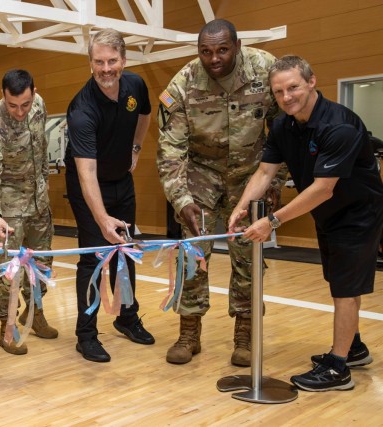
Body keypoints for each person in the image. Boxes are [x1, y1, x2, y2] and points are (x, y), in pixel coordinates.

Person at [229, 55, 383, 392]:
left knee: (346, 290)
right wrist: (242, 206)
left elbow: (323, 188)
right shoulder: (284, 125)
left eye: (293, 87)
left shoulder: (338, 125)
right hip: (328, 214)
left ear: (312, 82)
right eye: (279, 91)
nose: (287, 97)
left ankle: (338, 370)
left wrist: (272, 221)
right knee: (338, 282)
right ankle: (354, 348)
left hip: (358, 214)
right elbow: (266, 171)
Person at [156, 19, 281, 366]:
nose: (214, 58)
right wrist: (181, 199)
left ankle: (244, 334)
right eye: (206, 51)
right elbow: (170, 151)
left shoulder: (265, 69)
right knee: (192, 255)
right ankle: (189, 332)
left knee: (249, 258)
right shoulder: (182, 84)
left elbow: (284, 129)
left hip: (251, 176)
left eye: (222, 50)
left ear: (237, 46)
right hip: (201, 176)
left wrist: (275, 181)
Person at [65, 28, 154, 363]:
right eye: (99, 62)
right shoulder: (82, 110)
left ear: (123, 60)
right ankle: (86, 335)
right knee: (93, 259)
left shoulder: (135, 85)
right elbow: (87, 175)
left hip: (121, 181)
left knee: (126, 252)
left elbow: (144, 114)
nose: (106, 68)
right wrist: (102, 220)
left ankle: (127, 318)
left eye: (112, 61)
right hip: (88, 187)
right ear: (90, 64)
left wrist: (135, 149)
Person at [0, 69, 57, 356]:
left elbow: (42, 151)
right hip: (9, 210)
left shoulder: (39, 105)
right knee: (9, 272)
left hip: (39, 204)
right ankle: (6, 327)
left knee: (42, 264)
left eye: (24, 104)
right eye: (12, 105)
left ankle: (36, 313)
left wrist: (44, 189)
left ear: (33, 92)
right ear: (3, 96)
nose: (19, 111)